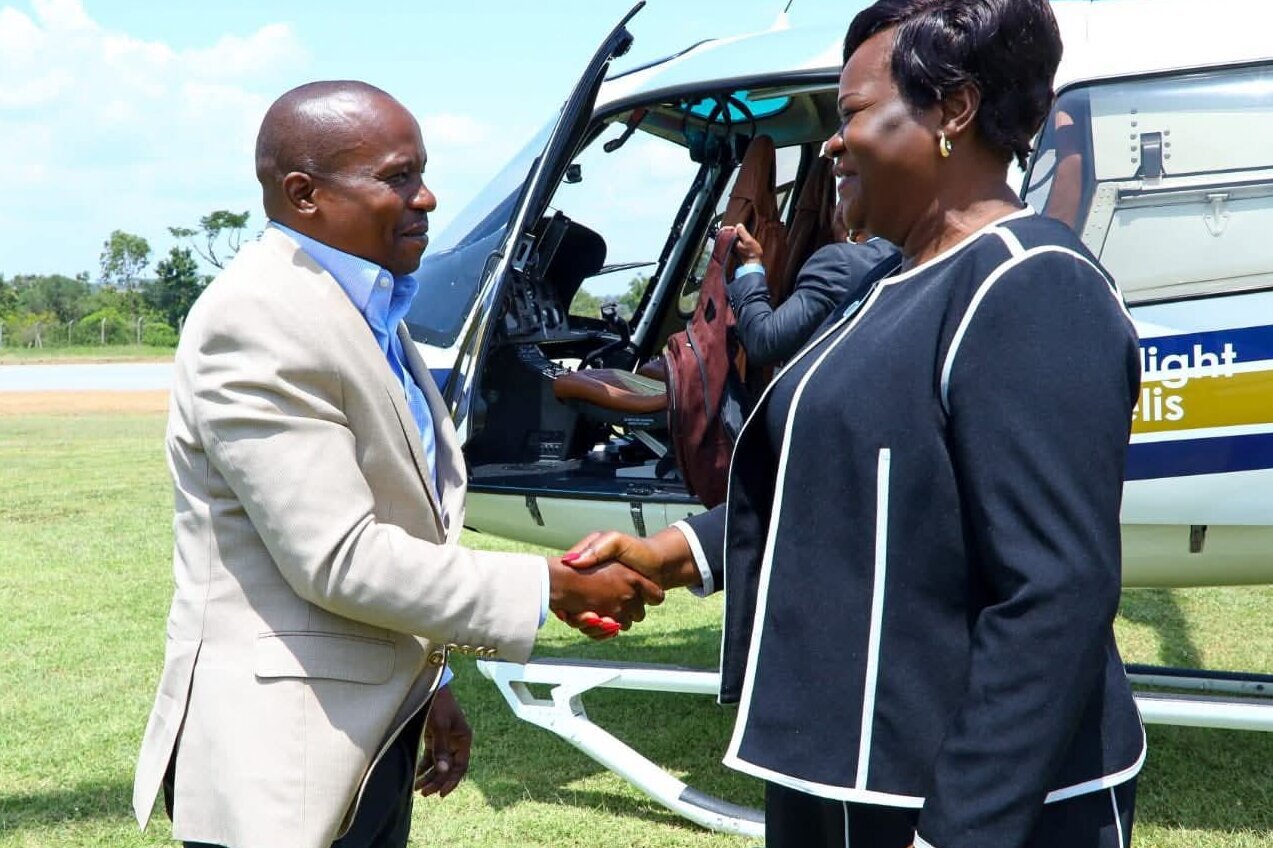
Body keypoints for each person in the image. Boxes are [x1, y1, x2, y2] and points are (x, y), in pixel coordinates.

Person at [560, 2, 1144, 847]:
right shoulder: (888, 279)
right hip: (839, 776)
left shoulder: (1031, 286)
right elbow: (837, 481)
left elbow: (1055, 594)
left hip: (958, 801)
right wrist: (673, 553)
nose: (833, 144)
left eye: (853, 113)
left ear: (951, 111)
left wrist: (959, 830)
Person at [131, 80, 662, 848]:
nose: (427, 198)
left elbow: (398, 517)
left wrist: (431, 681)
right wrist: (551, 585)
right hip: (282, 759)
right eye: (397, 177)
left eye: (420, 173)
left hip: (370, 725)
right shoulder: (260, 318)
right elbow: (337, 556)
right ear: (303, 194)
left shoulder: (360, 307)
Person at [728, 212, 898, 367]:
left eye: (849, 177)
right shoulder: (912, 262)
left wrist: (750, 264)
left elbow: (764, 341)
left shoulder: (839, 262)